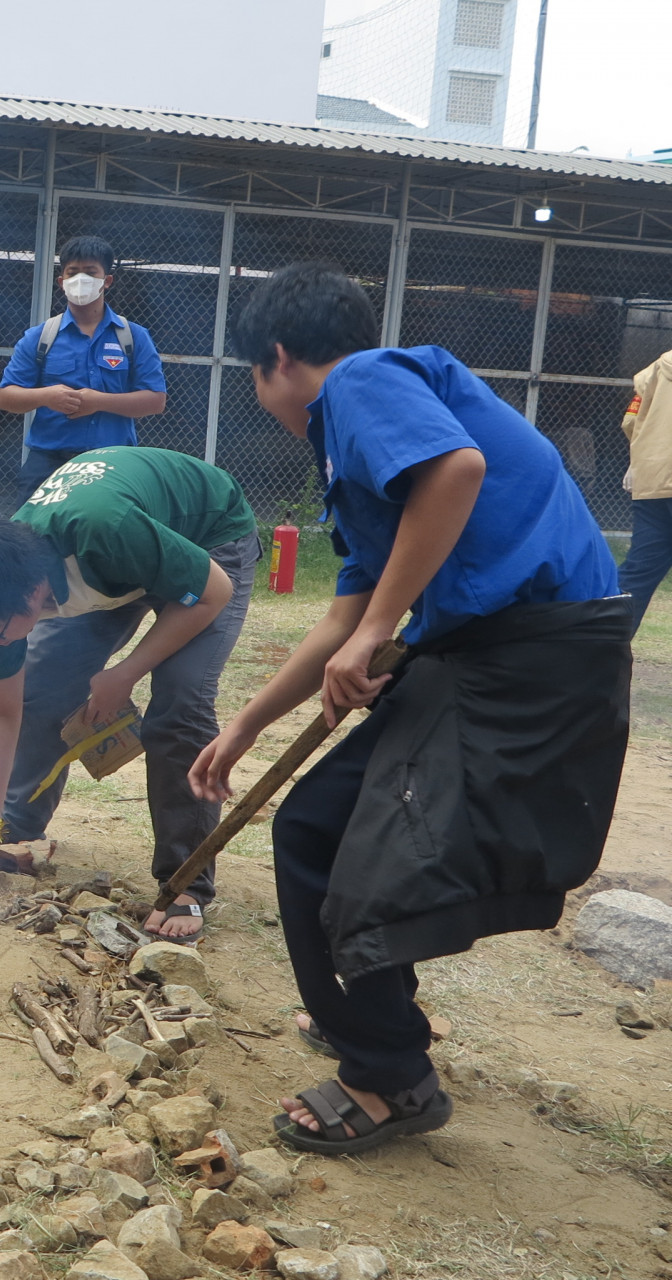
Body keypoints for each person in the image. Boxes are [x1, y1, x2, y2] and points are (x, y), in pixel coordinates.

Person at [192, 263, 625, 1156]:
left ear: (274, 359)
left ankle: (388, 1076)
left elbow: (456, 474)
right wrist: (245, 726)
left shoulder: (362, 380)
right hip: (482, 652)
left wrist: (384, 624)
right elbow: (343, 618)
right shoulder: (351, 465)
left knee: (326, 834)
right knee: (320, 823)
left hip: (534, 654)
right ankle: (374, 1024)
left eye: (254, 379)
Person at [0, 448, 259, 942]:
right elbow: (0, 710)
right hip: (125, 561)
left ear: (33, 592)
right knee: (41, 683)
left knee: (180, 705)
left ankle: (185, 884)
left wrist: (126, 671)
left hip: (208, 544)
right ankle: (15, 820)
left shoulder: (103, 530)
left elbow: (213, 593)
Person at [0, 236, 168, 507]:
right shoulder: (40, 337)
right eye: (72, 272)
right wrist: (47, 396)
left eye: (91, 273)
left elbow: (156, 400)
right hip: (49, 463)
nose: (81, 279)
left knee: (106, 542)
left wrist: (97, 402)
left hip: (113, 463)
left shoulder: (134, 337)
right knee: (32, 541)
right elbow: (6, 396)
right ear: (61, 281)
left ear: (107, 281)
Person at [618, 346, 672, 636]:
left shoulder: (660, 366)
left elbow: (631, 418)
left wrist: (637, 461)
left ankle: (600, 643)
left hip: (652, 479)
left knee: (637, 572)